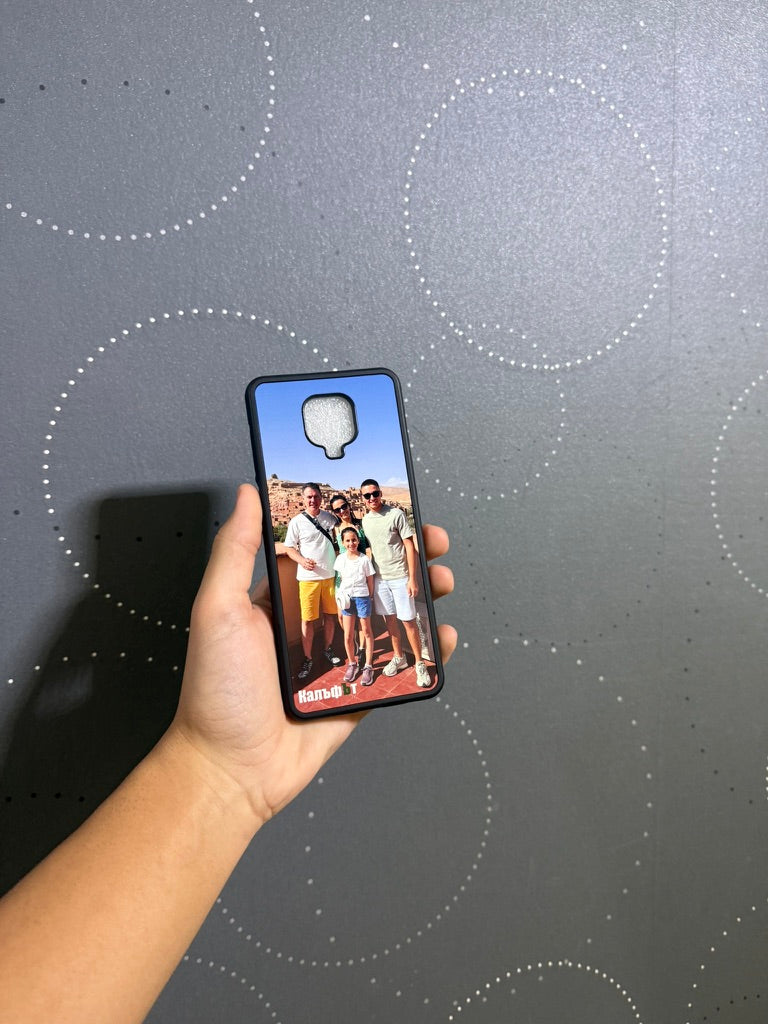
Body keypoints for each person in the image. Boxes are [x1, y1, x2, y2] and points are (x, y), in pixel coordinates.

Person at [0, 483, 456, 1024]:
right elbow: (292, 548)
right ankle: (339, 663)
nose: (332, 508)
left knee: (390, 621)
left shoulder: (358, 529)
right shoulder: (317, 529)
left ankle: (397, 660)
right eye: (329, 502)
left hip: (370, 590)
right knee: (329, 626)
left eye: (340, 504)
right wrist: (218, 765)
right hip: (320, 600)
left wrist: (217, 769)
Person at [360, 478, 430, 687]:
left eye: (375, 493)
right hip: (380, 579)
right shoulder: (365, 520)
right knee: (390, 621)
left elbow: (409, 546)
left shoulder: (396, 514)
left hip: (400, 577)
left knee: (408, 622)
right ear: (362, 498)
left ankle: (419, 664)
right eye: (367, 495)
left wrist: (412, 579)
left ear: (380, 493)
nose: (372, 498)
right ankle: (399, 657)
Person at [283, 483, 341, 680]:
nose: (313, 500)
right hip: (308, 579)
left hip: (330, 576)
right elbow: (289, 548)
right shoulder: (296, 522)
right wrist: (301, 560)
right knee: (307, 620)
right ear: (303, 499)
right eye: (309, 497)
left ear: (321, 498)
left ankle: (328, 649)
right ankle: (308, 658)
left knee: (330, 616)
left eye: (316, 496)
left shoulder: (329, 518)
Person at [333, 526, 376, 686]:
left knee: (366, 631)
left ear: (358, 541)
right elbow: (338, 580)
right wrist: (338, 600)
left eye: (354, 540)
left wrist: (369, 596)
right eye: (348, 541)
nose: (351, 543)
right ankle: (352, 664)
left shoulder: (364, 559)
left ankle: (368, 666)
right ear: (343, 543)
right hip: (346, 600)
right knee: (348, 635)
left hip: (362, 598)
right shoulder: (340, 559)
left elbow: (370, 580)